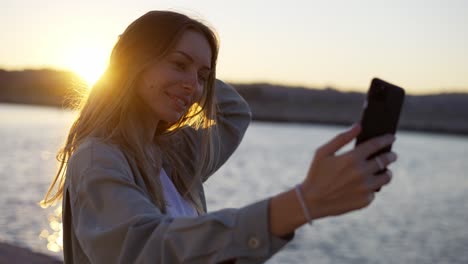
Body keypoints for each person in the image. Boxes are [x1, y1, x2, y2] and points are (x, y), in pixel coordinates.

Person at [41, 10, 398, 264]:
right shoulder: (97, 156)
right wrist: (301, 204)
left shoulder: (174, 154)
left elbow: (234, 113)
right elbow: (144, 249)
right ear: (132, 65)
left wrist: (195, 67)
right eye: (179, 64)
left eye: (203, 75)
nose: (194, 87)